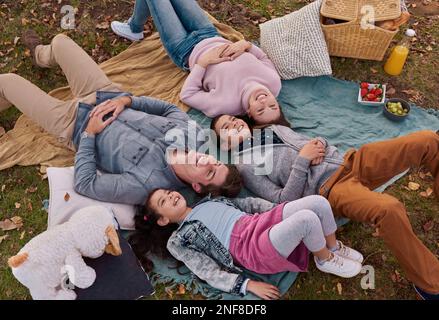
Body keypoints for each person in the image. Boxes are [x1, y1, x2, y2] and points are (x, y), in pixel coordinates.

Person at [210, 114, 439, 300]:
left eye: (233, 118)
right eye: (226, 128)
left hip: (351, 161)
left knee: (428, 140)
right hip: (332, 188)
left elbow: (310, 141)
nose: (234, 123)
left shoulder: (271, 129)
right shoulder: (246, 166)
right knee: (389, 210)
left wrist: (320, 143)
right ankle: (430, 283)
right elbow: (282, 202)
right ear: (225, 144)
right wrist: (302, 161)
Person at [0, 31, 242, 205]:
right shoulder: (194, 135)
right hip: (105, 92)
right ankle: (41, 56)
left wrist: (89, 134)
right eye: (216, 163)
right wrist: (127, 101)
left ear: (196, 186)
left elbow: (86, 184)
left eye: (210, 173)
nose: (208, 162)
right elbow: (169, 109)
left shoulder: (147, 186)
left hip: (72, 123)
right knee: (61, 42)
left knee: (7, 81)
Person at [130, 189, 363, 299]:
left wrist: (279, 211)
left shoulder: (210, 200)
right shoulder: (179, 240)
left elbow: (250, 204)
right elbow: (206, 271)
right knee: (307, 220)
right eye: (164, 201)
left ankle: (332, 247)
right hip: (249, 248)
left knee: (318, 203)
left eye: (168, 192)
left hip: (259, 222)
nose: (171, 196)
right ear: (162, 220)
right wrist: (247, 285)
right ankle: (324, 259)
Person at [111, 0, 284, 124]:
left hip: (184, 48)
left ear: (249, 113)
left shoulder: (226, 105)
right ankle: (134, 28)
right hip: (209, 33)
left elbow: (187, 95)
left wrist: (203, 63)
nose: (264, 101)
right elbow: (263, 58)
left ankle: (134, 27)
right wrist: (245, 45)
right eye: (272, 106)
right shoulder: (274, 84)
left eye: (260, 110)